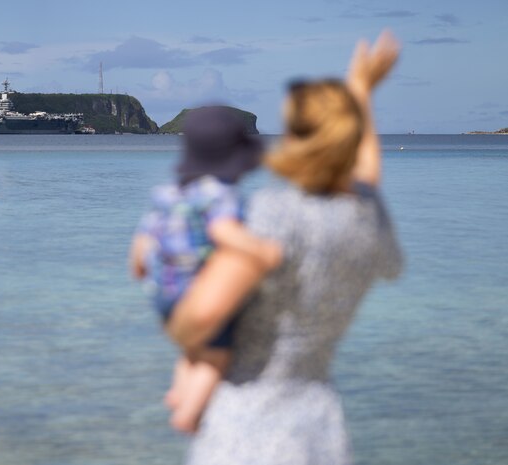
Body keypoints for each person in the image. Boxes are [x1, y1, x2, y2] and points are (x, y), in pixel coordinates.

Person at [166, 30, 403, 464]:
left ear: (293, 135)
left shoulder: (274, 216)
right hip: (320, 429)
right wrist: (360, 93)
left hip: (245, 429)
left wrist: (175, 318)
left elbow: (201, 316)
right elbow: (367, 177)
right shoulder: (367, 218)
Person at [129, 106, 282, 434]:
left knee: (193, 350)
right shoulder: (222, 194)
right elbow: (223, 232)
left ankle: (177, 393)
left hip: (162, 293)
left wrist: (147, 276)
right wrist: (265, 252)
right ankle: (190, 413)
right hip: (196, 293)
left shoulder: (167, 195)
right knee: (215, 357)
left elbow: (139, 253)